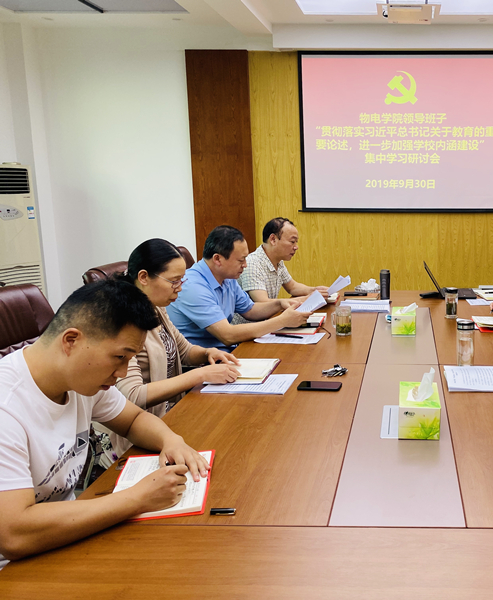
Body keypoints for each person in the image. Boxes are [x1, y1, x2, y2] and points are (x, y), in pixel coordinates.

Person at [0, 279, 209, 568]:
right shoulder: (7, 406)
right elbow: (13, 534)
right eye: (119, 357)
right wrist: (137, 498)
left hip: (68, 535)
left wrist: (171, 440)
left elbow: (134, 419)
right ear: (71, 341)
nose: (122, 372)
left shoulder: (80, 379)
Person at [111, 238, 242, 457]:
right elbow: (132, 395)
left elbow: (184, 350)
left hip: (170, 414)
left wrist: (207, 353)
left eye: (182, 280)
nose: (180, 288)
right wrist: (201, 375)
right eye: (174, 281)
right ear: (143, 277)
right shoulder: (122, 321)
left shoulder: (154, 306)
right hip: (141, 433)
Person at [167, 225, 311, 351]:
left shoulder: (227, 278)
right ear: (217, 259)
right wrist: (282, 321)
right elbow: (227, 335)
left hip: (227, 352)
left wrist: (280, 304)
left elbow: (250, 310)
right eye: (241, 260)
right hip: (203, 362)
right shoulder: (193, 287)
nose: (245, 265)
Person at [234, 217, 328, 323]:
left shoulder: (278, 261)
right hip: (249, 328)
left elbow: (292, 287)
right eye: (292, 242)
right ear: (273, 239)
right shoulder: (252, 264)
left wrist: (315, 290)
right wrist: (307, 299)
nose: (296, 247)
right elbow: (263, 302)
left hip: (269, 321)